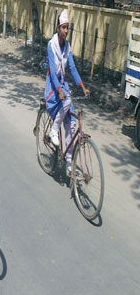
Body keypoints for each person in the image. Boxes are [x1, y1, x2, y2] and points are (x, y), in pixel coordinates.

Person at [44, 9, 90, 175]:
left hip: (62, 86)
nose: (66, 30)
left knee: (71, 124)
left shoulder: (67, 47)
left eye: (68, 27)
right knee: (67, 101)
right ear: (58, 28)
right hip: (52, 87)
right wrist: (59, 90)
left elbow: (72, 67)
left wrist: (82, 86)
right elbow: (52, 70)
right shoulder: (51, 46)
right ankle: (53, 130)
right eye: (63, 27)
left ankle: (69, 164)